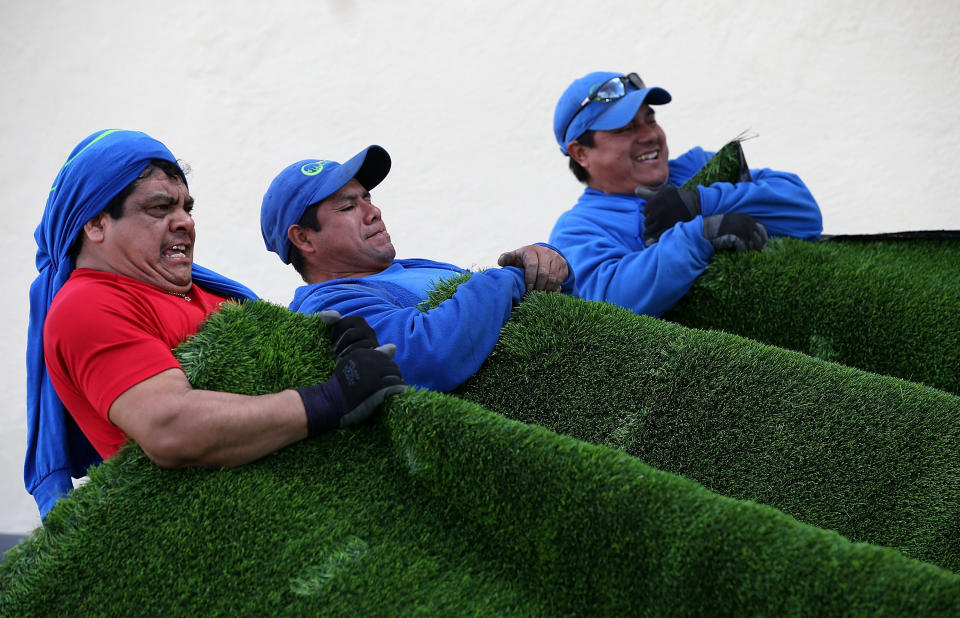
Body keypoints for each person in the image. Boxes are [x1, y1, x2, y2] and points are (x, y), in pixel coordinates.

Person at [27, 129, 406, 518]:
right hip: (215, 530)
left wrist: (325, 354)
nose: (184, 223)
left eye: (186, 209)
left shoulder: (207, 294)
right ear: (96, 224)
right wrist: (331, 398)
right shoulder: (88, 304)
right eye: (160, 209)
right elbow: (170, 427)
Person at [260, 145, 573, 392]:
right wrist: (509, 278)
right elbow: (426, 356)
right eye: (348, 207)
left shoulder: (413, 267)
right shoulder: (327, 305)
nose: (374, 212)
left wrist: (546, 263)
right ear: (303, 238)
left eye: (367, 198)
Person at [550, 70, 823, 317]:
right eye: (625, 129)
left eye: (651, 120)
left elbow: (804, 213)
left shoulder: (699, 166)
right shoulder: (577, 229)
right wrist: (700, 235)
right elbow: (609, 305)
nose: (651, 136)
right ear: (581, 153)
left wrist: (702, 202)